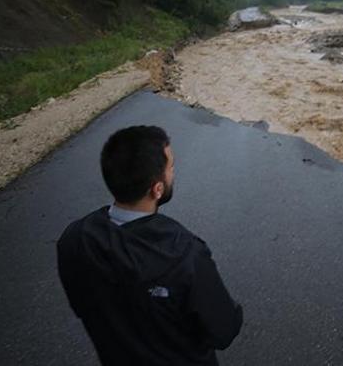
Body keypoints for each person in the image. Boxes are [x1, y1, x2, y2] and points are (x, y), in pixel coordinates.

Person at [57, 126, 243, 366]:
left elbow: (82, 307)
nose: (173, 173)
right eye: (171, 168)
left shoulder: (75, 239)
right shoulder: (185, 255)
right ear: (157, 189)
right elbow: (223, 331)